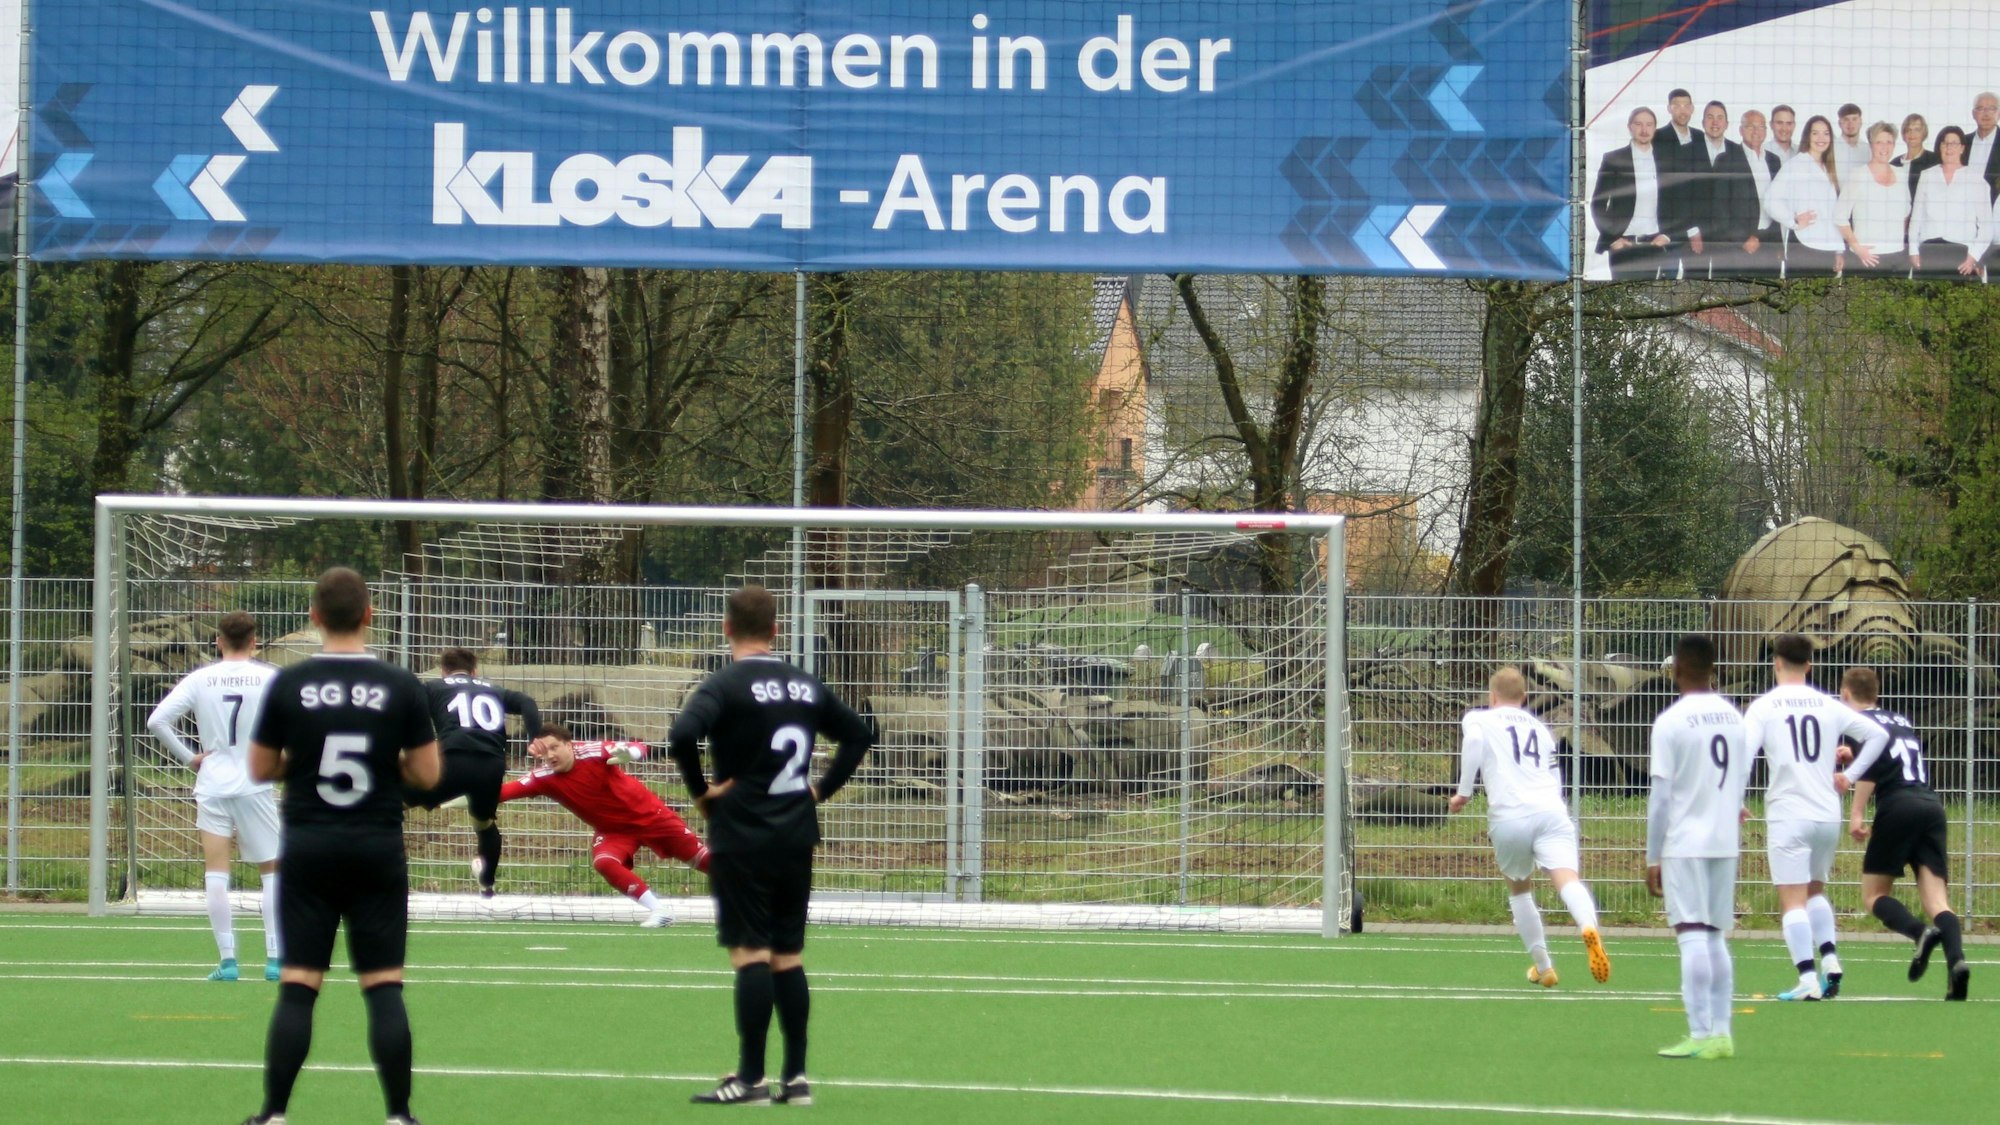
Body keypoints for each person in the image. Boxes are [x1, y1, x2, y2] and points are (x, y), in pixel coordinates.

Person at [241, 568, 439, 1125]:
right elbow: (426, 774)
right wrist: (386, 763)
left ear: (315, 617)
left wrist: (297, 763)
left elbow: (260, 767)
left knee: (300, 985)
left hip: (309, 846)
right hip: (376, 846)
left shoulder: (289, 681)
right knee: (382, 985)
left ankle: (274, 1114)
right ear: (370, 614)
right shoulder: (401, 684)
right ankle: (399, 1115)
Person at [669, 584, 874, 1107]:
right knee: (788, 953)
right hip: (796, 833)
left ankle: (751, 1079)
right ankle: (797, 1078)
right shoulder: (804, 684)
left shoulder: (724, 684)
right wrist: (820, 789)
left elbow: (681, 734)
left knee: (751, 954)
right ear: (777, 630)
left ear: (727, 628)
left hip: (743, 834)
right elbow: (857, 734)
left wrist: (702, 793)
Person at [1739, 634, 1888, 1002]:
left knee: (1791, 900)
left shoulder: (1764, 705)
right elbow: (1878, 736)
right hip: (1826, 815)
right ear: (1810, 665)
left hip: (1789, 813)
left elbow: (1744, 754)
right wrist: (1849, 777)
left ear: (1775, 663)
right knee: (1814, 891)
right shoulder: (1827, 704)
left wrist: (1735, 799)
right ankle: (1831, 960)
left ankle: (1806, 978)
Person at [1446, 668, 1610, 987]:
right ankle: (1588, 927)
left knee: (1520, 891)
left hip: (1510, 816)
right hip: (1551, 811)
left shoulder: (1478, 718)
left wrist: (1464, 792)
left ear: (1492, 697)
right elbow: (1555, 774)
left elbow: (1475, 741)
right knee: (1568, 881)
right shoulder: (1540, 727)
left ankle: (1544, 967)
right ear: (1524, 698)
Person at [146, 610, 284, 982]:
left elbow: (156, 721)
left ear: (219, 641)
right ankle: (274, 959)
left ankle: (228, 961)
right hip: (256, 781)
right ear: (255, 642)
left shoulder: (201, 679)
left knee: (216, 872)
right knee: (272, 871)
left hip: (212, 784)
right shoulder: (271, 678)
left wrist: (190, 757)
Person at [1645, 634, 1749, 1061]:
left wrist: (1653, 855)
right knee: (1715, 934)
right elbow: (1740, 783)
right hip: (1726, 841)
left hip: (1686, 841)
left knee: (1690, 934)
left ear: (1677, 670)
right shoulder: (1735, 717)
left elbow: (1662, 799)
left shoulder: (1670, 722)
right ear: (1712, 669)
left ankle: (1699, 1032)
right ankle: (1722, 1033)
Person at [1838, 668, 1970, 1001]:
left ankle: (1919, 933)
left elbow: (1871, 770)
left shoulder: (1859, 724)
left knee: (1873, 895)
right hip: (1931, 805)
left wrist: (1855, 814)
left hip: (1898, 806)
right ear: (1877, 694)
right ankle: (1957, 964)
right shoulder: (1901, 720)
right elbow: (1892, 758)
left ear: (1845, 695)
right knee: (1938, 901)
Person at [503, 724, 711, 928]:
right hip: (614, 831)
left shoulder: (591, 752)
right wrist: (474, 796)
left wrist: (630, 754)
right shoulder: (542, 778)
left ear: (569, 745)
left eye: (554, 747)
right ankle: (660, 911)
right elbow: (504, 792)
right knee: (604, 862)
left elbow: (639, 746)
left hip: (651, 818)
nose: (549, 755)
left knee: (706, 861)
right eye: (544, 751)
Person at [406, 647, 541, 898]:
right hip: (491, 766)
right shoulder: (494, 689)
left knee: (391, 805)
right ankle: (487, 885)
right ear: (474, 671)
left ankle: (391, 879)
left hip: (453, 760)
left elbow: (410, 712)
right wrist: (535, 738)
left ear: (445, 671)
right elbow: (527, 702)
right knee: (483, 822)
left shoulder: (435, 687)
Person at [1682, 100, 1765, 278]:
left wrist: (1745, 235)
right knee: (1696, 284)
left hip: (1730, 240)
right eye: (1710, 117)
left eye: (1720, 118)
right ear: (1703, 122)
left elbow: (1748, 194)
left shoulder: (1738, 152)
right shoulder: (1686, 152)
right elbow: (1679, 195)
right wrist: (1692, 231)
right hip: (1696, 235)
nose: (1715, 122)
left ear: (1727, 124)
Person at [1592, 107, 1673, 279]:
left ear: (1655, 128)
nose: (1644, 130)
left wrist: (1667, 235)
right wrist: (1613, 238)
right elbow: (1598, 203)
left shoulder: (1666, 160)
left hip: (1654, 244)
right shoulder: (1613, 159)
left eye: (1649, 125)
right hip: (1623, 244)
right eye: (1638, 124)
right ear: (1629, 126)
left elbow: (1677, 201)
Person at [1909, 126, 1990, 278]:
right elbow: (1916, 218)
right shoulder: (1927, 175)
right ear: (1939, 146)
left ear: (1962, 148)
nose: (1949, 147)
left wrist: (1973, 257)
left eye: (1954, 143)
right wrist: (1913, 251)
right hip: (1929, 250)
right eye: (1944, 143)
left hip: (1961, 254)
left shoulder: (1975, 179)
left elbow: (1987, 226)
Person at [1768, 115, 1845, 275]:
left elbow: (1833, 212)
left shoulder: (1829, 168)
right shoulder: (1795, 165)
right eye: (1815, 133)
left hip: (1828, 248)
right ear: (1807, 137)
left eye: (1826, 133)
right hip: (1804, 245)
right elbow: (1770, 200)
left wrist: (1839, 250)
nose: (1821, 138)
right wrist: (1793, 220)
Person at [1837, 122, 1914, 276]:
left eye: (1889, 142)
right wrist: (1858, 249)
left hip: (1897, 258)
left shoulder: (1902, 174)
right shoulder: (1858, 175)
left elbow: (1906, 213)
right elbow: (1839, 217)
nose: (1884, 147)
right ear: (1871, 145)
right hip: (1864, 259)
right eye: (1879, 142)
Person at [1738, 109, 1785, 267]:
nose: (1756, 131)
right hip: (1742, 245)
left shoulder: (1774, 160)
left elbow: (1780, 203)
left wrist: (1778, 243)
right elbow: (1720, 207)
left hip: (1770, 241)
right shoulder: (1727, 159)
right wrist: (1743, 238)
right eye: (1751, 126)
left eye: (1761, 127)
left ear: (1766, 130)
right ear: (1741, 130)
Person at [1892, 113, 1938, 198]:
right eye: (1908, 130)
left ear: (1924, 133)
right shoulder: (1894, 163)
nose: (1912, 134)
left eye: (1917, 130)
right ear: (1904, 134)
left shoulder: (1934, 160)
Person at [1970, 91, 2000, 201]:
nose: (1986, 114)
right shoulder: (1961, 142)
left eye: (1992, 109)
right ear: (1973, 114)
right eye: (1980, 108)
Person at [1831, 103, 1868, 180]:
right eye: (1846, 119)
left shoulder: (1869, 149)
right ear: (1839, 123)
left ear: (1860, 122)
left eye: (1854, 119)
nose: (1850, 123)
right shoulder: (1831, 148)